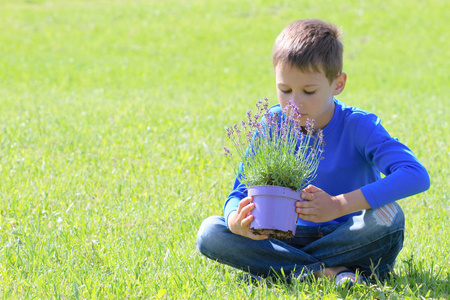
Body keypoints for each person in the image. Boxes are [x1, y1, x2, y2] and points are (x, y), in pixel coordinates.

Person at [196, 19, 430, 286]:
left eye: (309, 91)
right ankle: (330, 273)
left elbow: (415, 175)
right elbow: (240, 192)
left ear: (338, 84)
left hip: (350, 235)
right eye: (284, 90)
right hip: (284, 235)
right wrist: (235, 219)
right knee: (210, 232)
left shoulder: (358, 125)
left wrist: (338, 205)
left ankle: (277, 266)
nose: (294, 102)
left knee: (389, 216)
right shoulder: (272, 123)